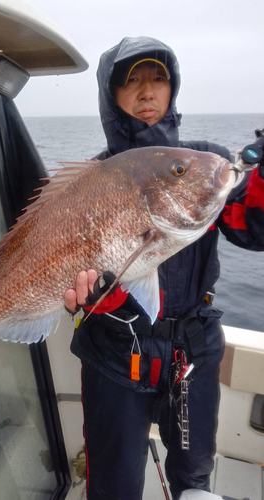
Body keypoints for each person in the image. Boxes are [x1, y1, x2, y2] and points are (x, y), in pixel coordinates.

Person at [64, 36, 264, 500]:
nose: (147, 92)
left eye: (158, 79)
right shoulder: (88, 181)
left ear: (173, 91)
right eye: (131, 81)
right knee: (113, 489)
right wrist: (96, 297)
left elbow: (253, 229)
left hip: (194, 352)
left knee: (194, 482)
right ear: (110, 96)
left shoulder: (202, 162)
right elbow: (65, 269)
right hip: (114, 355)